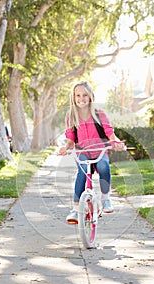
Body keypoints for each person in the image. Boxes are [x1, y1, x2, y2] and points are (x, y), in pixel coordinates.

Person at [58, 81, 125, 223]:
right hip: (82, 151)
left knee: (103, 167)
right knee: (82, 172)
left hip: (100, 150)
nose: (81, 98)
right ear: (73, 97)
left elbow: (109, 132)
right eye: (78, 95)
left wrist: (117, 142)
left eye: (85, 95)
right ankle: (76, 209)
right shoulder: (72, 115)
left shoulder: (98, 113)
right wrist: (66, 148)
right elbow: (70, 138)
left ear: (90, 97)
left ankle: (105, 199)